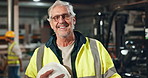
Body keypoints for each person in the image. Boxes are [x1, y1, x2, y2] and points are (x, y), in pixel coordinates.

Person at [25, 0, 121, 78]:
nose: (61, 21)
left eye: (65, 16)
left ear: (73, 20)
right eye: (56, 18)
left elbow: (112, 76)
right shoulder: (39, 54)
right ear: (51, 24)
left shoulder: (95, 47)